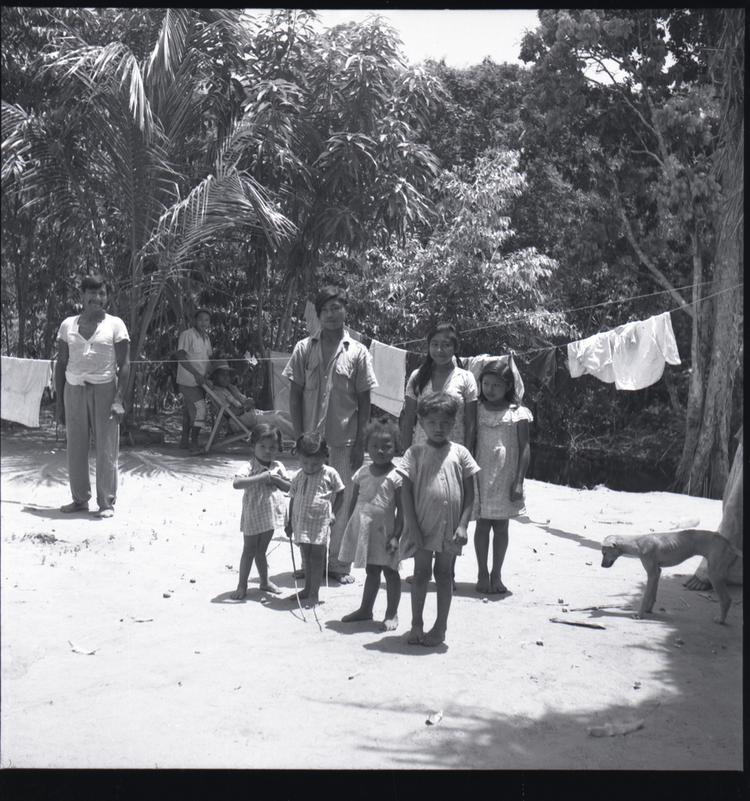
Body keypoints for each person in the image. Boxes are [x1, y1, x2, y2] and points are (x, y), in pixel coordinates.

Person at [283, 285, 378, 584]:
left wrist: (361, 441)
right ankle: (310, 562)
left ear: (345, 310)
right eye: (326, 310)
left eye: (337, 308)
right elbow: (295, 394)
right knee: (306, 502)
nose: (332, 315)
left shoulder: (359, 352)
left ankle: (337, 565)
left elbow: (365, 400)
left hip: (344, 440)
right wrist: (299, 436)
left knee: (341, 501)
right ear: (318, 314)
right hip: (310, 441)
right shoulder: (303, 348)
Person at [399, 393, 480, 646]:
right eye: (432, 422)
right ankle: (416, 624)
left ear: (454, 423)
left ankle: (440, 627)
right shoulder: (414, 454)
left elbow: (470, 494)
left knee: (444, 575)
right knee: (421, 574)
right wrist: (411, 526)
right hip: (422, 526)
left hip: (451, 529)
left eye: (445, 423)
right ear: (421, 423)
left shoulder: (461, 453)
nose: (439, 428)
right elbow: (405, 492)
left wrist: (464, 525)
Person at [55, 274, 130, 518]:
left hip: (105, 391)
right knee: (75, 446)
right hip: (73, 389)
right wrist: (59, 404)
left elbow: (125, 364)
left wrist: (119, 399)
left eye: (101, 294)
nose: (96, 298)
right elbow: (61, 363)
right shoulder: (68, 325)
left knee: (106, 448)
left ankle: (106, 503)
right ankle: (79, 500)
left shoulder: (115, 325)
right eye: (91, 293)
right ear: (82, 296)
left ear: (107, 297)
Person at [472, 356, 532, 595]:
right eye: (486, 384)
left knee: (501, 526)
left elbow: (525, 448)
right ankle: (482, 572)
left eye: (496, 385)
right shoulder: (475, 409)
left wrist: (519, 481)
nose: (490, 389)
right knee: (482, 524)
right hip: (481, 472)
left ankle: (497, 573)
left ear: (508, 386)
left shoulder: (519, 413)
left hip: (506, 475)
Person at [339, 418, 404, 631]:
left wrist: (396, 535)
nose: (381, 451)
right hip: (366, 532)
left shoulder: (397, 475)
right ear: (367, 447)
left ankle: (391, 613)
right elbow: (353, 502)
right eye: (375, 446)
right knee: (371, 570)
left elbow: (402, 510)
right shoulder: (362, 472)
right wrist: (352, 529)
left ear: (396, 447)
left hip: (386, 533)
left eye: (387, 446)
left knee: (390, 572)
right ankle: (366, 609)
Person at [230, 424, 292, 600]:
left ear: (278, 448)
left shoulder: (278, 466)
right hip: (253, 514)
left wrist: (276, 480)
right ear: (253, 446)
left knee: (261, 551)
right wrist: (262, 477)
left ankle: (264, 581)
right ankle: (242, 585)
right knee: (249, 550)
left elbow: (290, 487)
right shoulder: (249, 466)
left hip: (270, 515)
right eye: (262, 446)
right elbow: (236, 483)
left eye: (272, 447)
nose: (267, 451)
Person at [285, 433, 345, 607]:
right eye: (305, 463)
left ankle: (314, 594)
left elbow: (340, 492)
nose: (310, 467)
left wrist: (333, 512)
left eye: (315, 463)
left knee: (317, 558)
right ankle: (307, 589)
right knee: (306, 556)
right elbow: (292, 498)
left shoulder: (330, 473)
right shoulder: (297, 475)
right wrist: (289, 523)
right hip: (301, 523)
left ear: (324, 458)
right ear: (298, 457)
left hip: (319, 524)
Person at [401, 322, 478, 452]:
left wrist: (467, 456)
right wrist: (406, 454)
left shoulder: (466, 378)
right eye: (434, 344)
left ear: (455, 348)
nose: (439, 350)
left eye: (446, 345)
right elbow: (408, 419)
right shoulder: (417, 376)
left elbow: (471, 423)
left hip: (453, 454)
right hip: (422, 453)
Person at [207, 361, 295, 440]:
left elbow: (244, 399)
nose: (227, 378)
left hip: (251, 415)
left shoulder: (230, 388)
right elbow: (230, 412)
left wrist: (248, 401)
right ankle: (300, 437)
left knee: (280, 413)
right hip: (240, 420)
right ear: (215, 376)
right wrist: (246, 406)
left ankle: (303, 430)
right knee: (277, 419)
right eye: (223, 375)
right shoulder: (217, 392)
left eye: (227, 375)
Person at [176, 309, 213, 453]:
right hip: (188, 381)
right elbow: (180, 357)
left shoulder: (206, 338)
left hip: (201, 382)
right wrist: (196, 374)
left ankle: (184, 441)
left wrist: (209, 376)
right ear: (194, 321)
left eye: (207, 320)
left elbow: (208, 360)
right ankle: (194, 443)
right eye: (201, 319)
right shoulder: (187, 335)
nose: (203, 323)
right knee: (200, 410)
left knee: (188, 411)